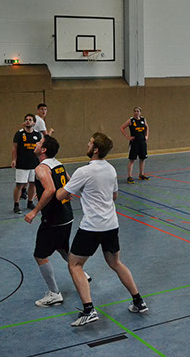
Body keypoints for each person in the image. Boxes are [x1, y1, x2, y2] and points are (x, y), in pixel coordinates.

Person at [55, 132, 147, 327]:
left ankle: (88, 310)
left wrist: (60, 186)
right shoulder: (111, 169)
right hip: (111, 224)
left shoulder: (83, 171)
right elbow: (114, 196)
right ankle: (138, 301)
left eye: (90, 143)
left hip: (91, 227)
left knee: (74, 265)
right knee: (116, 262)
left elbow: (60, 195)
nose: (87, 145)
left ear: (96, 149)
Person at [24, 135, 90, 307]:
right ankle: (82, 273)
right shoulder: (58, 164)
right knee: (61, 248)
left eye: (39, 143)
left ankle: (54, 293)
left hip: (53, 219)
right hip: (67, 215)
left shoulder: (41, 168)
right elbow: (69, 181)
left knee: (40, 255)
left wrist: (34, 211)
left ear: (43, 150)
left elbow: (50, 189)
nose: (36, 143)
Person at [12, 114, 42, 213]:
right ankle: (16, 205)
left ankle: (30, 202)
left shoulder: (38, 134)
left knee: (33, 184)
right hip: (22, 164)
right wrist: (14, 160)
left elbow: (40, 149)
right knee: (19, 185)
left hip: (34, 164)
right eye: (26, 119)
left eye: (30, 119)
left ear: (34, 123)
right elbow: (14, 147)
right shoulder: (19, 134)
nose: (28, 121)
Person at [120, 106, 150, 184]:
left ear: (140, 112)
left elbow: (147, 127)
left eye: (138, 111)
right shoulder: (131, 120)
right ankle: (129, 176)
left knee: (142, 158)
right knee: (132, 159)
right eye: (135, 111)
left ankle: (141, 174)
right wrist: (128, 137)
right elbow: (122, 128)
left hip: (142, 142)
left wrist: (146, 136)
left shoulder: (143, 120)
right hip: (134, 143)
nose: (136, 112)